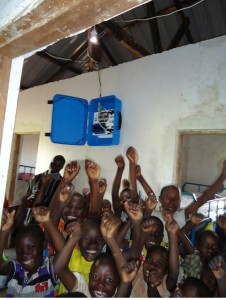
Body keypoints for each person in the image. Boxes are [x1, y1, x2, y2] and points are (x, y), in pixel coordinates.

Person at [152, 160, 226, 245]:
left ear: (180, 202)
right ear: (160, 199)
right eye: (168, 198)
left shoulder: (181, 215)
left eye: (176, 199)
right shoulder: (154, 215)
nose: (172, 202)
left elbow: (203, 199)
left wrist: (223, 176)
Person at [0, 209, 58, 297]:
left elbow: (62, 251)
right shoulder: (15, 267)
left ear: (43, 245)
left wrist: (47, 222)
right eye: (19, 249)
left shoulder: (50, 268)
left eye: (30, 248)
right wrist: (5, 230)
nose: (24, 254)